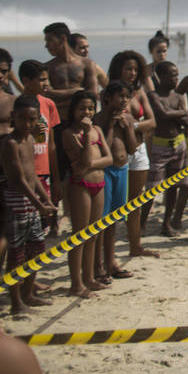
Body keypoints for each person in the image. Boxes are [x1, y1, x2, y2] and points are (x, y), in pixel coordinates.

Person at [1, 96, 57, 313]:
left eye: (31, 119)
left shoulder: (30, 139)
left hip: (31, 201)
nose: (27, 123)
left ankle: (28, 293)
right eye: (22, 118)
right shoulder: (10, 143)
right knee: (16, 254)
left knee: (36, 249)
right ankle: (16, 302)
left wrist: (46, 199)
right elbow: (18, 179)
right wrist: (39, 203)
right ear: (13, 117)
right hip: (17, 202)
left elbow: (32, 175)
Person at [62, 90, 112, 297]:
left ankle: (89, 277)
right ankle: (76, 283)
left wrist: (90, 164)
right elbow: (83, 160)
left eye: (91, 108)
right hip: (80, 185)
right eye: (82, 108)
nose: (87, 112)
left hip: (99, 183)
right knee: (79, 235)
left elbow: (109, 159)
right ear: (73, 110)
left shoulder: (97, 130)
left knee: (93, 234)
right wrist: (85, 135)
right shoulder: (69, 133)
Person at [108, 50, 158, 259]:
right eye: (128, 68)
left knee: (135, 202)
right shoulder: (110, 93)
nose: (132, 73)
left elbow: (152, 121)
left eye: (136, 70)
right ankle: (109, 253)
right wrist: (135, 125)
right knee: (114, 206)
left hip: (139, 149)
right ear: (119, 69)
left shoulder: (139, 92)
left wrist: (132, 125)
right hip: (119, 151)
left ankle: (135, 245)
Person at [94, 81, 137, 283]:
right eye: (120, 96)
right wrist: (111, 126)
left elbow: (132, 148)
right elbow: (105, 148)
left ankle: (111, 262)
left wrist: (127, 128)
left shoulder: (127, 118)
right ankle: (98, 265)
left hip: (122, 169)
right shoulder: (100, 119)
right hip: (105, 171)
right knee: (101, 221)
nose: (124, 100)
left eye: (127, 97)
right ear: (108, 98)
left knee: (113, 220)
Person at [145, 61, 188, 236]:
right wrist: (179, 114)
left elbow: (186, 120)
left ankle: (167, 223)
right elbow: (162, 115)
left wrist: (175, 114)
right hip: (160, 145)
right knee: (152, 187)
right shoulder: (153, 96)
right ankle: (141, 223)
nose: (175, 79)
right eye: (172, 75)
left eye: (177, 75)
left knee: (174, 186)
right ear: (161, 77)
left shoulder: (178, 96)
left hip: (178, 144)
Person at [17, 62, 60, 238]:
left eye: (46, 79)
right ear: (26, 81)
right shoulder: (17, 106)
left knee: (41, 227)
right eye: (41, 80)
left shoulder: (48, 104)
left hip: (44, 173)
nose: (46, 83)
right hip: (24, 174)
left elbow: (51, 145)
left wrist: (56, 179)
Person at [43, 22, 98, 120]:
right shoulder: (47, 67)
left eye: (50, 40)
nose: (46, 46)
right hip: (58, 121)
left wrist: (60, 101)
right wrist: (76, 91)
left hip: (83, 120)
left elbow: (93, 94)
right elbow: (47, 93)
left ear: (63, 38)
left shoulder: (87, 64)